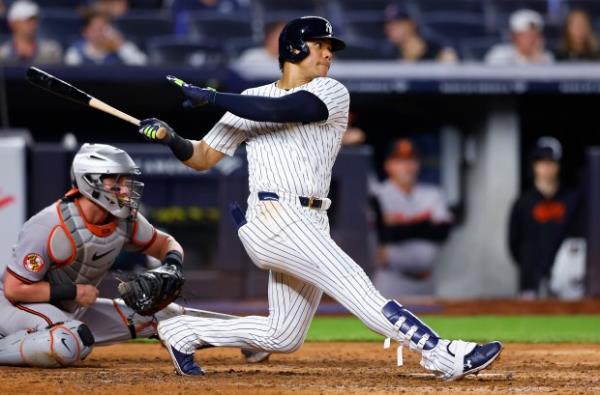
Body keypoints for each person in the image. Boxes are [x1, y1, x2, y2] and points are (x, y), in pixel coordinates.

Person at [138, 16, 502, 379]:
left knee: (283, 335)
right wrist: (172, 139)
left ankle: (183, 331)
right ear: (294, 48)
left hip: (311, 220)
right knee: (352, 281)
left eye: (330, 48)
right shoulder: (249, 100)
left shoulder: (330, 92)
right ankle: (441, 353)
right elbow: (203, 157)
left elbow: (285, 110)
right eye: (320, 45)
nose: (328, 54)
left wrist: (215, 98)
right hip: (273, 218)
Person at [0, 143, 269, 367]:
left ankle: (252, 338)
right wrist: (72, 291)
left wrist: (172, 265)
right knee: (67, 342)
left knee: (165, 315)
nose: (125, 189)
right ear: (91, 181)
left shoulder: (125, 220)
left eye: (125, 181)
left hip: (75, 309)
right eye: (116, 180)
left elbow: (166, 243)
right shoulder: (47, 225)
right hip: (17, 310)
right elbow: (15, 289)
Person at [371, 139, 452, 297]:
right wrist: (425, 225)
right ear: (388, 165)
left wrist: (398, 227)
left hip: (426, 280)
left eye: (411, 160)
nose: (407, 166)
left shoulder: (433, 194)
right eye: (400, 160)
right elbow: (382, 234)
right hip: (390, 280)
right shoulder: (378, 195)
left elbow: (442, 232)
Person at [508, 137, 579, 299]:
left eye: (551, 162)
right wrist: (528, 264)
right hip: (530, 279)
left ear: (558, 165)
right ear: (534, 165)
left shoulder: (572, 200)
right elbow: (513, 242)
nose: (546, 167)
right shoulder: (523, 202)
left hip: (566, 281)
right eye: (541, 161)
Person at [64, 7, 147, 66]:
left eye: (103, 28)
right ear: (86, 31)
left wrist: (120, 47)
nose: (100, 33)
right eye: (97, 29)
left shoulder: (119, 48)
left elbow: (142, 64)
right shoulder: (75, 52)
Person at [382, 4, 457, 63]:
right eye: (388, 23)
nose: (390, 28)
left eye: (398, 23)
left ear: (412, 24)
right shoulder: (390, 53)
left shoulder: (437, 50)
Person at [0, 0, 63, 65]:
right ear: (13, 23)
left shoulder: (51, 51)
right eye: (27, 20)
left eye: (35, 20)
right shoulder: (2, 53)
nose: (33, 24)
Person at [485, 9, 554, 65]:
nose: (532, 39)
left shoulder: (546, 57)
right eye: (526, 35)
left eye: (535, 35)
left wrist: (537, 60)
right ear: (514, 36)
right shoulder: (499, 54)